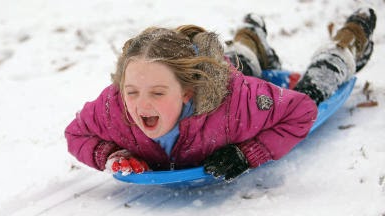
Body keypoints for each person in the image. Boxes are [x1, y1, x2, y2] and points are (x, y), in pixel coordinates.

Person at [65, 8, 376, 181]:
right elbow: (76, 134)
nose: (140, 103)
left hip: (231, 86)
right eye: (131, 90)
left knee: (314, 89)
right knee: (242, 63)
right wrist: (112, 155)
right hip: (221, 72)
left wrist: (247, 153)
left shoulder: (236, 103)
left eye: (157, 93)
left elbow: (302, 111)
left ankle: (347, 43)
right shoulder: (115, 107)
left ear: (187, 93)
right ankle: (251, 37)